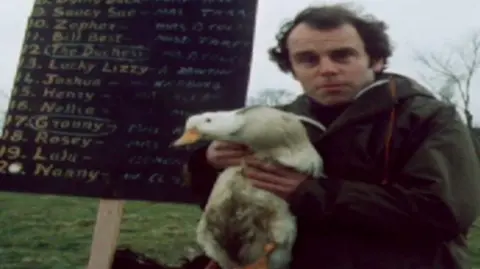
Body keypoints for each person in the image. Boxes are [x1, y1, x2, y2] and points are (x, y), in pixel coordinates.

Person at [184, 4, 480, 269]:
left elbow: (444, 213)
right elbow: (232, 205)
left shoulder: (428, 118)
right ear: (293, 69)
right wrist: (208, 163)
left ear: (375, 60)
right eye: (308, 59)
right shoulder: (271, 124)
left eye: (343, 56)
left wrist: (310, 193)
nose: (327, 70)